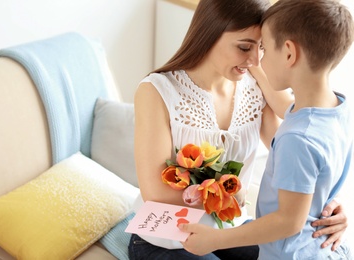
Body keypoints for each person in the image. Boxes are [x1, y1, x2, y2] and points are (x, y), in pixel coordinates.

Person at [129, 0, 349, 259]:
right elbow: (156, 192)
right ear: (209, 33)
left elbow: (298, 154)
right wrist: (232, 193)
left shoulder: (255, 88)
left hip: (228, 231)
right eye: (245, 46)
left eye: (262, 48)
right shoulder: (156, 91)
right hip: (164, 238)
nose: (255, 59)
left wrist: (323, 207)